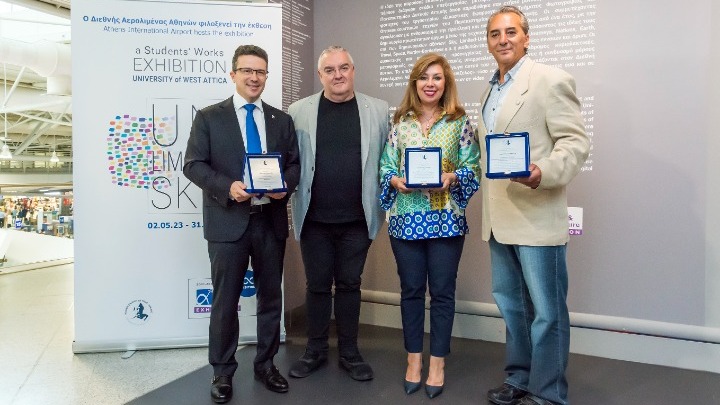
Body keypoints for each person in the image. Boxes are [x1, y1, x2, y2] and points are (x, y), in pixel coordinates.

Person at [479, 6, 590, 405]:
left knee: (547, 313)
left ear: (526, 38)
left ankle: (548, 393)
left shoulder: (550, 79)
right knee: (513, 308)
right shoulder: (489, 90)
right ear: (488, 42)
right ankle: (520, 379)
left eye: (511, 31)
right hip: (499, 219)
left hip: (537, 214)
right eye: (495, 33)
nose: (503, 39)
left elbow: (575, 143)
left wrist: (543, 171)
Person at [183, 44, 300, 403]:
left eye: (260, 71)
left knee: (270, 298)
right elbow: (193, 165)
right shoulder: (209, 117)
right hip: (227, 221)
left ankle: (266, 364)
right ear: (233, 74)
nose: (254, 77)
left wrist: (284, 187)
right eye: (247, 70)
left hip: (270, 221)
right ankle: (222, 371)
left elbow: (294, 164)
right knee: (225, 301)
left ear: (266, 76)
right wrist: (227, 187)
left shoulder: (281, 120)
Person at [379, 52, 480, 399]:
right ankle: (413, 361)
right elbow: (386, 167)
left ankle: (437, 363)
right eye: (424, 77)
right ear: (415, 83)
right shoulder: (400, 123)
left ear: (445, 82)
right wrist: (395, 181)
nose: (430, 84)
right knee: (410, 291)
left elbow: (473, 167)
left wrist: (453, 177)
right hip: (405, 220)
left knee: (442, 293)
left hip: (446, 221)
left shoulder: (460, 122)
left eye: (437, 77)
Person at [287, 45, 389, 382]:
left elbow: (388, 160)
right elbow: (291, 161)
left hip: (357, 219)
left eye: (344, 67)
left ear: (353, 70)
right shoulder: (298, 110)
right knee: (316, 286)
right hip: (314, 219)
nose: (338, 75)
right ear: (320, 75)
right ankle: (314, 350)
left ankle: (350, 352)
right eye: (330, 70)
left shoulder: (378, 110)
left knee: (349, 285)